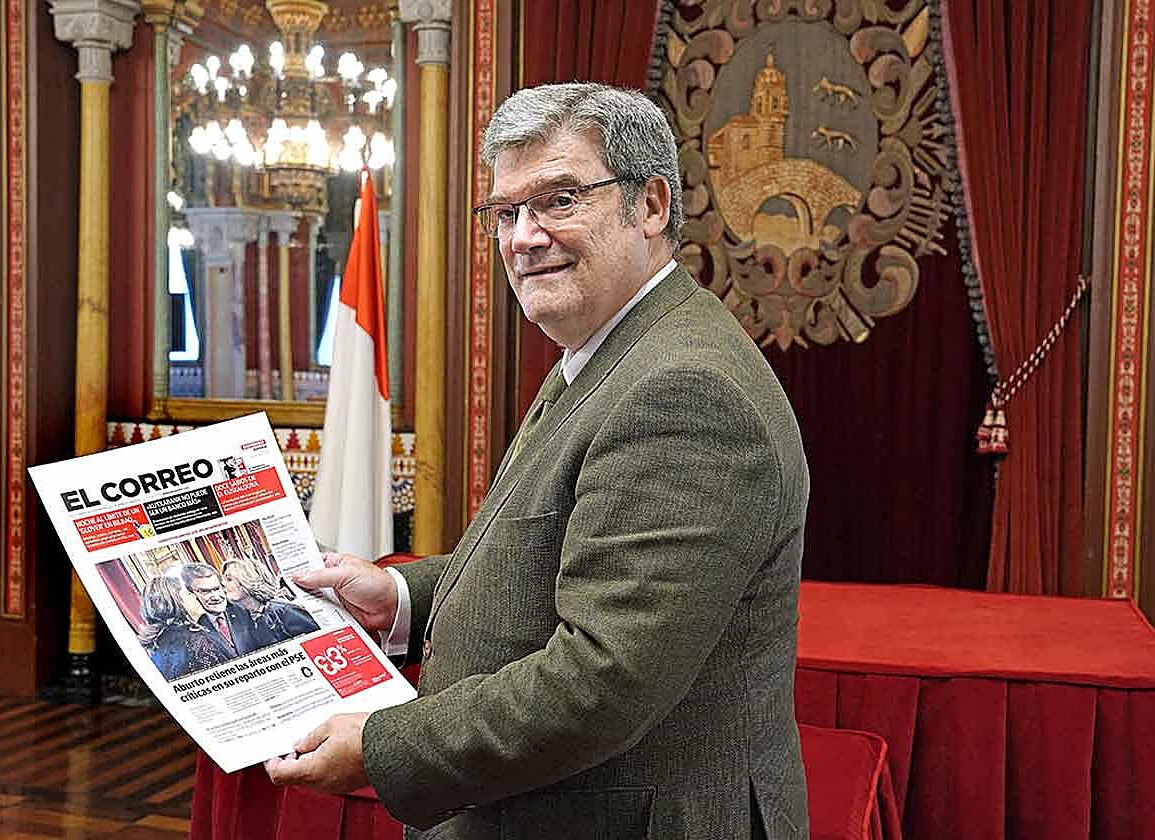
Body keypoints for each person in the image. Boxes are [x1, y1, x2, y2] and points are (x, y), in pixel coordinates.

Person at [266, 82, 810, 840]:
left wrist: (384, 743)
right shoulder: (615, 346)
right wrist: (400, 596)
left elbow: (603, 682)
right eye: (506, 211)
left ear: (652, 207)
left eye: (559, 199)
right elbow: (547, 548)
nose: (523, 237)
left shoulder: (683, 389)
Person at [137, 575, 229, 680]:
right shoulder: (196, 640)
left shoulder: (157, 645)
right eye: (189, 594)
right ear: (177, 601)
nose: (195, 597)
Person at [222, 557, 320, 648]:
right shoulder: (244, 620)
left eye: (229, 579)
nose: (223, 584)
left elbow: (319, 642)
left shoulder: (284, 611)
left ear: (248, 579)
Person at [181, 562, 259, 658]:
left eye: (217, 588)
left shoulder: (242, 610)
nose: (216, 597)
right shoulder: (192, 629)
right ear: (190, 595)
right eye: (205, 591)